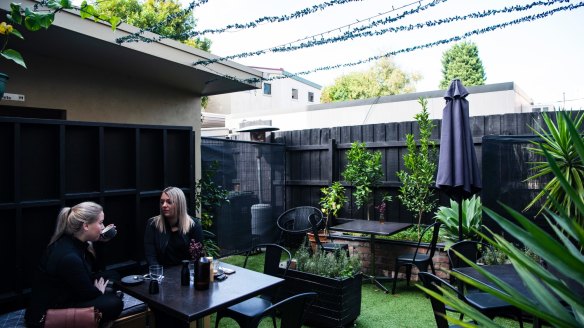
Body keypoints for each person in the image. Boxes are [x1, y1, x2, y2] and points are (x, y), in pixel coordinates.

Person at [25, 202, 123, 327]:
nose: (103, 227)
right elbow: (89, 294)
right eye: (100, 223)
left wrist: (101, 241)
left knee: (113, 275)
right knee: (114, 303)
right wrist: (99, 292)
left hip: (70, 292)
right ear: (86, 226)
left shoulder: (75, 242)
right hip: (50, 313)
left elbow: (92, 271)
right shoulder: (69, 257)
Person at [144, 186, 203, 267]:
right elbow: (150, 256)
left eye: (169, 202)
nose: (164, 205)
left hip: (185, 272)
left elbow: (197, 256)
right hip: (162, 273)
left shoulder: (193, 225)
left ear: (179, 204)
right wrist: (158, 274)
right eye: (162, 202)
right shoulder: (153, 224)